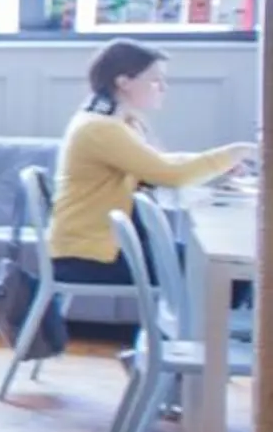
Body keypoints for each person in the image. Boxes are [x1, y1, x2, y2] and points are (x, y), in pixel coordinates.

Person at [46, 39, 254, 283]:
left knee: (223, 268)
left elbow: (157, 163)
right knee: (230, 274)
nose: (163, 88)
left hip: (104, 248)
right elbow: (171, 174)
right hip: (91, 257)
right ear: (124, 82)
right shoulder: (101, 128)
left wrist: (220, 166)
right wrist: (237, 152)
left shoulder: (110, 120)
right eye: (155, 80)